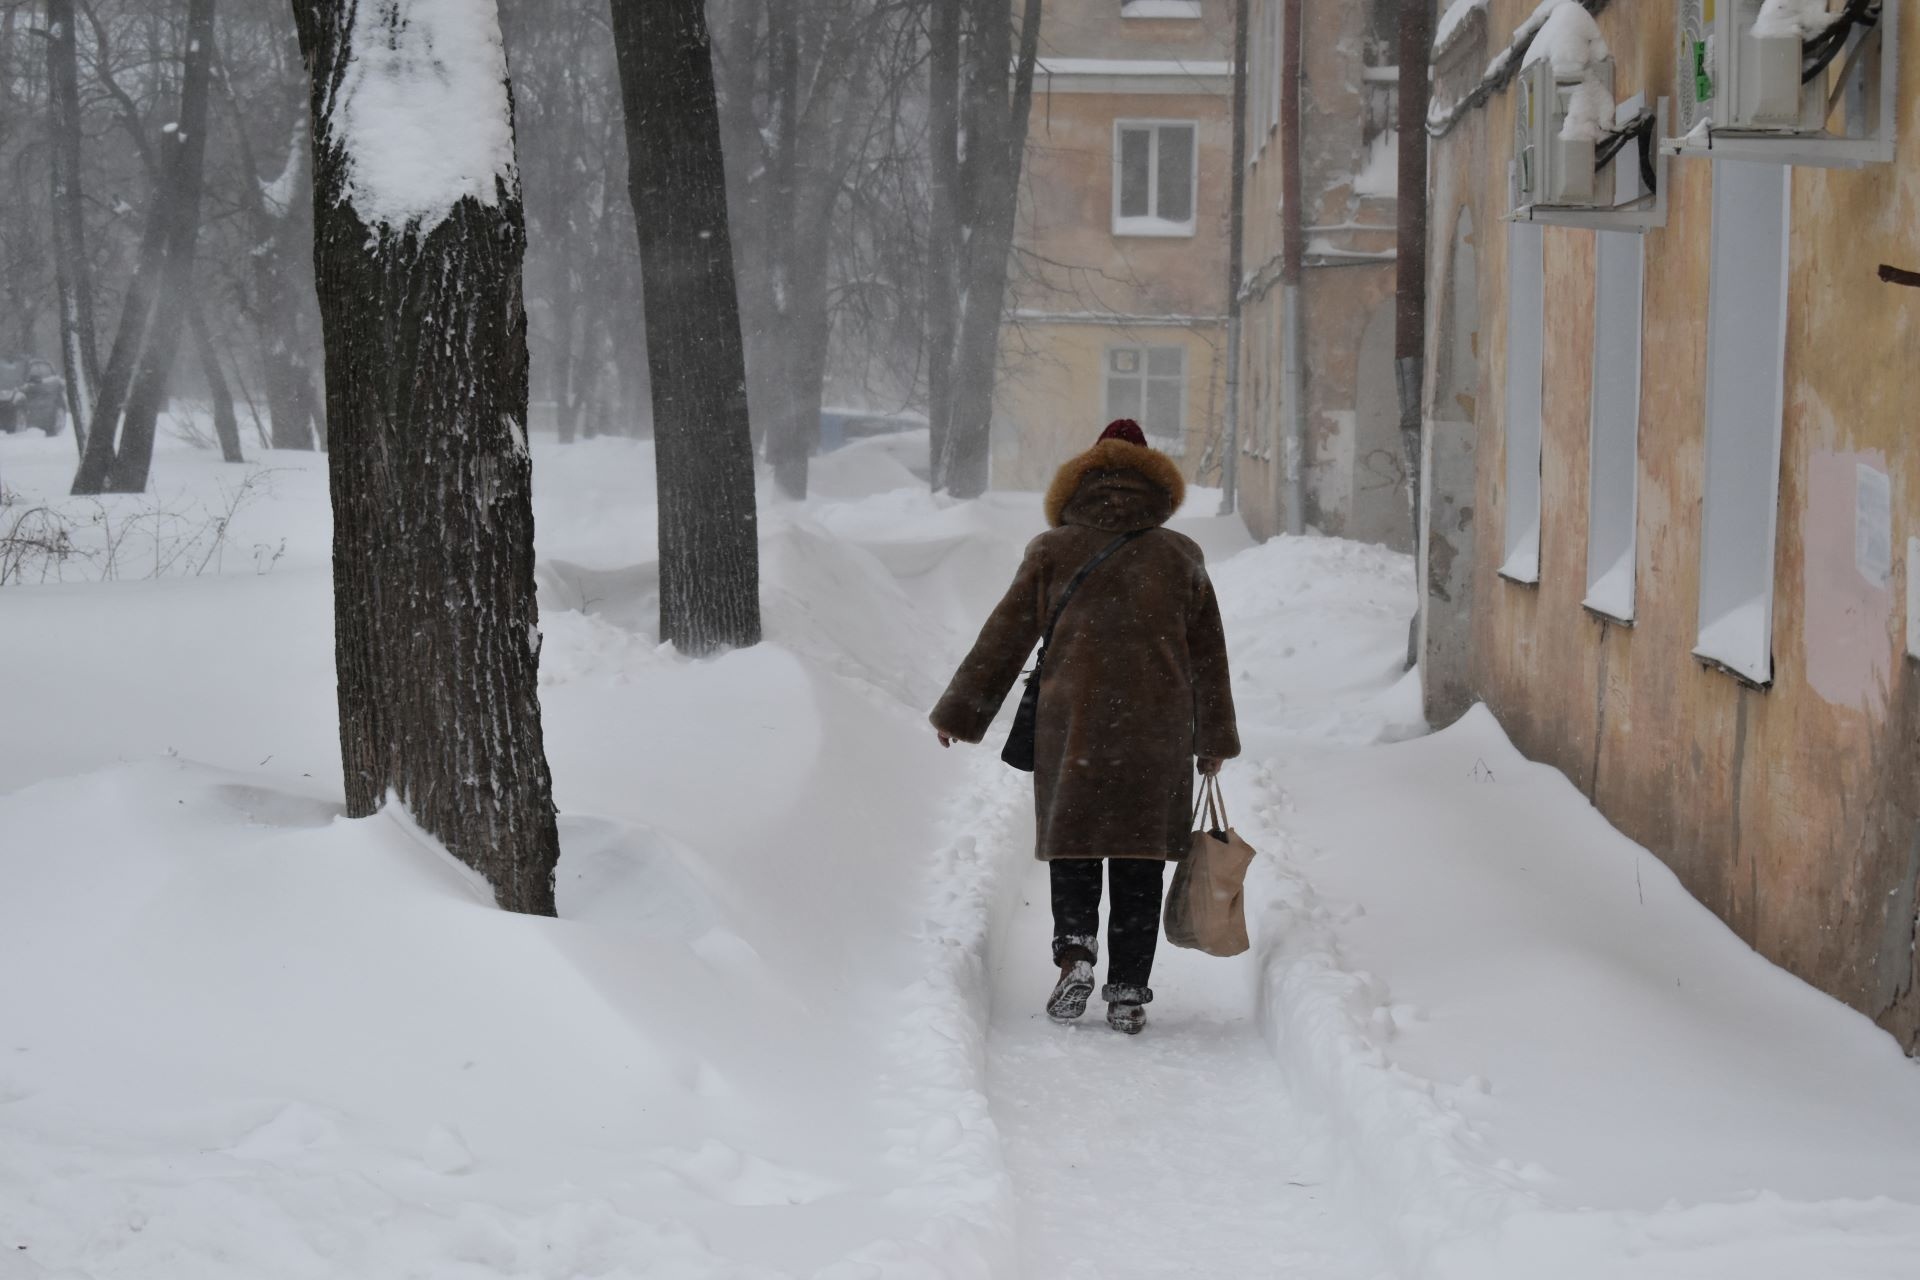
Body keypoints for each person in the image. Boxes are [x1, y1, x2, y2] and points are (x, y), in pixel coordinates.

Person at [929, 419, 1239, 1034]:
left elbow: (1005, 637)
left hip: (1073, 728)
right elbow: (1209, 655)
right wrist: (1214, 741)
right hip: (1157, 730)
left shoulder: (1052, 551)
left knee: (1073, 847)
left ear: (1082, 480)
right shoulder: (1181, 557)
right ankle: (1127, 989)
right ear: (1156, 486)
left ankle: (1075, 954)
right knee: (1139, 858)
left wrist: (962, 714)